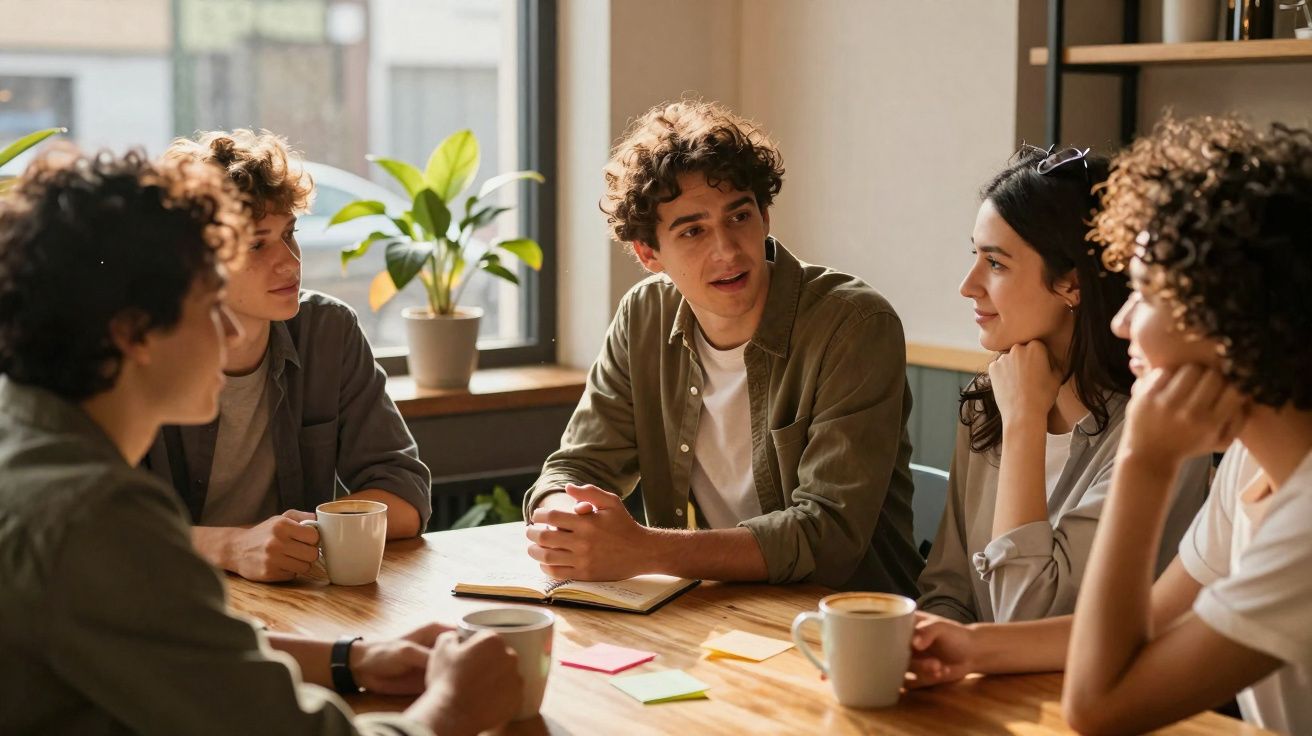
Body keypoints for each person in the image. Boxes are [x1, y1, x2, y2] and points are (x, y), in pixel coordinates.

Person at [0, 147, 521, 734]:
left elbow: (183, 648)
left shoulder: (27, 445)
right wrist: (453, 708)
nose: (227, 332)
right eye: (206, 304)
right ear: (133, 332)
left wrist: (351, 659)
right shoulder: (96, 516)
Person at [906, 117, 1312, 735]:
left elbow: (1100, 706)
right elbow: (1152, 618)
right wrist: (971, 648)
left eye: (1145, 293)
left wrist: (1144, 464)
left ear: (1228, 317)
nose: (1121, 322)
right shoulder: (1251, 468)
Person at [521, 100, 922, 594]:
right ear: (649, 254)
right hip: (714, 613)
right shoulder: (644, 316)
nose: (728, 251)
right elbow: (577, 465)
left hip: (846, 624)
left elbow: (828, 536)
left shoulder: (854, 325)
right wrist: (565, 519)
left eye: (739, 216)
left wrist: (643, 550)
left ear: (765, 216)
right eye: (693, 230)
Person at [916, 146, 1209, 623]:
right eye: (976, 255)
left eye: (996, 263)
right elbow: (948, 585)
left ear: (1072, 285)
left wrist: (1025, 423)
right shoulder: (990, 396)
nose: (968, 285)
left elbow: (1027, 616)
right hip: (971, 681)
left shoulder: (1157, 434)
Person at [142, 129, 431, 582]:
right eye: (258, 244)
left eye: (290, 234)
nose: (292, 262)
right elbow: (93, 531)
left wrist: (300, 535)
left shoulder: (327, 331)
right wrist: (233, 547)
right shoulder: (138, 352)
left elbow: (406, 495)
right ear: (198, 260)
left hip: (291, 595)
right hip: (165, 598)